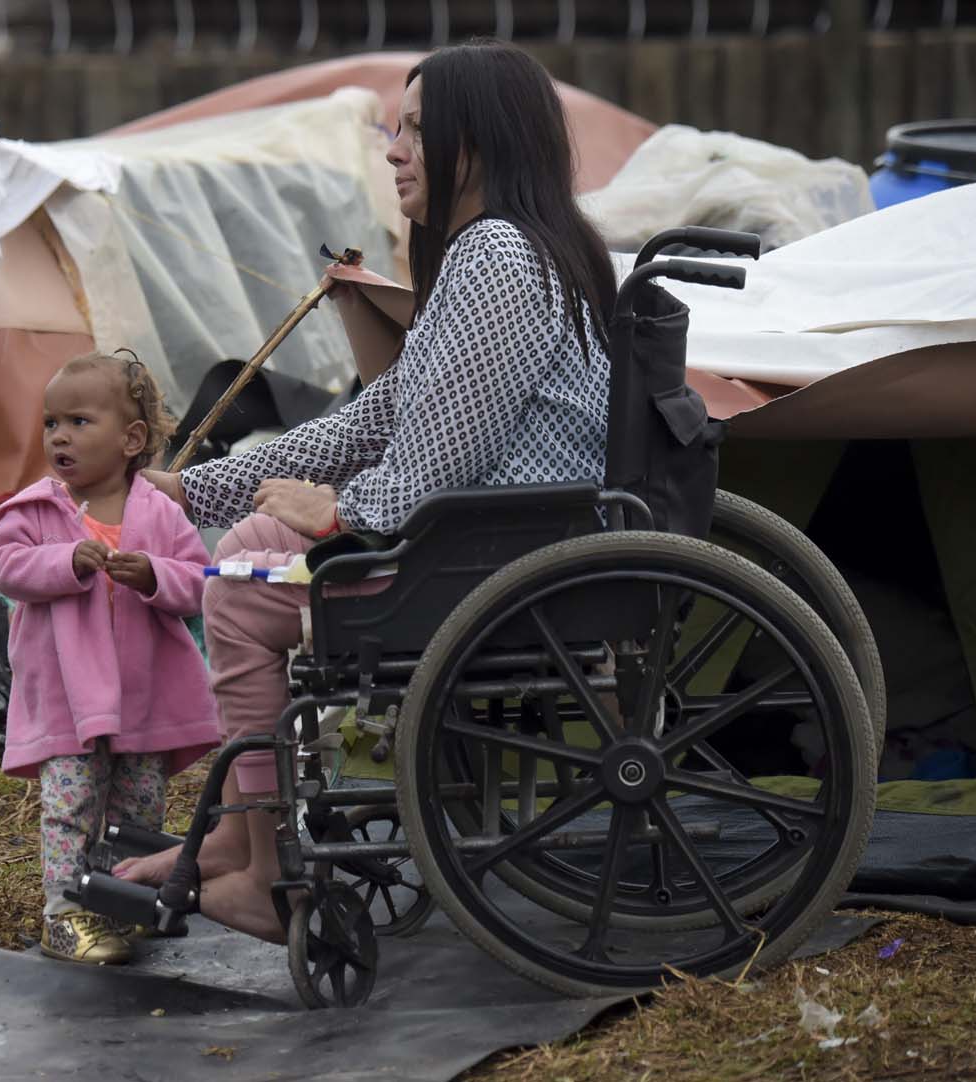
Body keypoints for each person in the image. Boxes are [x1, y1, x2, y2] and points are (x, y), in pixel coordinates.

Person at [114, 39, 619, 942]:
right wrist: (198, 488)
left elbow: (436, 463)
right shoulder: (506, 252)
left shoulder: (499, 258)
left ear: (479, 140)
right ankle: (239, 840)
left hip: (489, 561)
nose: (393, 150)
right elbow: (373, 418)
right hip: (493, 543)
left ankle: (266, 872)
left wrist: (347, 514)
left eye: (417, 130)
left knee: (236, 591)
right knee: (245, 552)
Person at [0, 351, 218, 964]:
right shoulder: (38, 511)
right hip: (68, 695)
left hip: (142, 695)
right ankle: (65, 912)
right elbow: (6, 566)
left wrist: (154, 576)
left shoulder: (160, 513)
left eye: (79, 422)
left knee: (137, 806)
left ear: (131, 438)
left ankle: (120, 899)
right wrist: (64, 561)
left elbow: (200, 581)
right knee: (73, 805)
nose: (58, 436)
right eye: (50, 423)